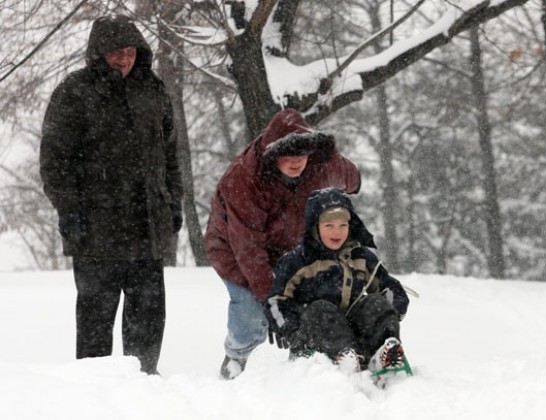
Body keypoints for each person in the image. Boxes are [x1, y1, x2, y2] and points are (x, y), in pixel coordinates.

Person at [39, 15, 183, 375]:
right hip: (95, 229)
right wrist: (70, 211)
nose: (125, 59)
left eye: (131, 51)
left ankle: (144, 377)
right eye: (117, 52)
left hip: (147, 224)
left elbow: (169, 157)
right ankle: (95, 388)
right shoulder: (74, 92)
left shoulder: (153, 90)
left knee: (149, 311)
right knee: (96, 317)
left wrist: (173, 203)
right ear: (99, 52)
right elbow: (55, 162)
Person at [204, 108, 361, 379]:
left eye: (301, 155)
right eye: (287, 155)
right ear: (273, 153)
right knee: (253, 314)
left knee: (309, 305)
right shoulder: (244, 178)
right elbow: (248, 249)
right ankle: (236, 358)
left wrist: (343, 173)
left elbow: (352, 179)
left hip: (289, 249)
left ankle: (301, 365)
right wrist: (271, 300)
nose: (295, 162)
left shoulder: (319, 163)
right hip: (235, 249)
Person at [264, 187, 411, 381]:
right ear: (315, 226)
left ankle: (384, 354)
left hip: (355, 332)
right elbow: (276, 301)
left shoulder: (360, 257)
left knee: (374, 302)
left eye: (343, 225)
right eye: (329, 226)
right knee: (321, 309)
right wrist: (290, 330)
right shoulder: (298, 261)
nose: (337, 231)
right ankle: (344, 357)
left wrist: (388, 315)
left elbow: (392, 290)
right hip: (315, 336)